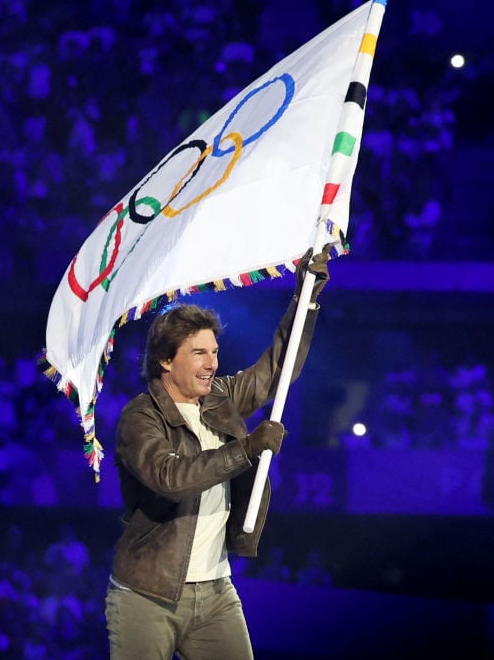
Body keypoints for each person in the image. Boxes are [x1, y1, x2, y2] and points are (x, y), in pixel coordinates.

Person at [105, 246, 331, 660]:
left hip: (216, 594)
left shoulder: (221, 397)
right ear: (165, 361)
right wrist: (246, 448)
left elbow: (275, 372)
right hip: (147, 596)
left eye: (214, 351)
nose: (212, 363)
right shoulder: (140, 417)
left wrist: (306, 300)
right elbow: (171, 479)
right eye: (199, 353)